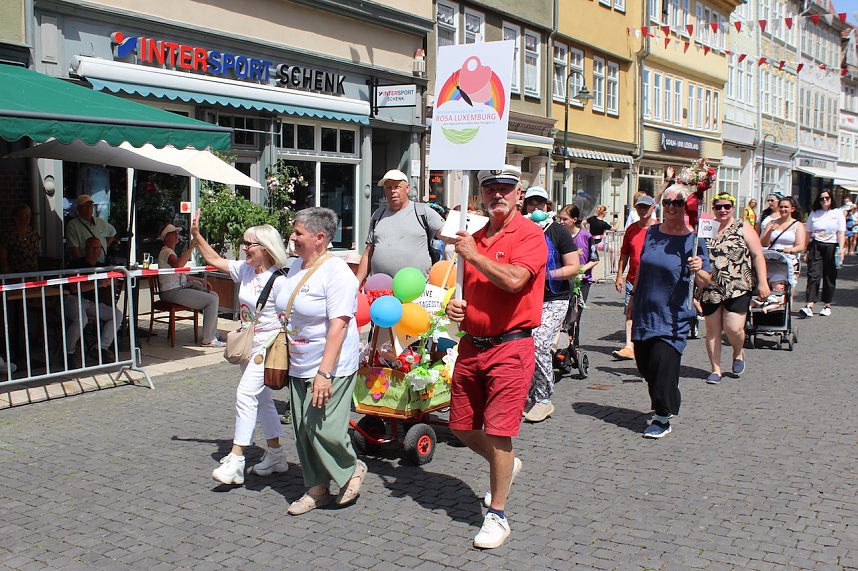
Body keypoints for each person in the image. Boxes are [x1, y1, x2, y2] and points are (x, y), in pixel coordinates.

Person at [445, 165, 547, 549]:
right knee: (459, 426)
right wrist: (457, 310)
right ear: (481, 195)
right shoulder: (471, 236)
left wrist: (473, 255)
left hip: (511, 346)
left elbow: (514, 281)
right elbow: (469, 292)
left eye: (505, 189)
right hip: (473, 344)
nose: (497, 195)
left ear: (519, 194)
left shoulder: (530, 234)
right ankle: (505, 465)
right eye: (490, 190)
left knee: (498, 431)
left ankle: (498, 515)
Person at [190, 212, 293, 486]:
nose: (245, 248)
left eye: (250, 244)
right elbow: (213, 260)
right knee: (262, 401)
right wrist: (197, 236)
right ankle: (276, 455)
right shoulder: (246, 270)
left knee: (246, 395)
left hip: (268, 347)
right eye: (244, 243)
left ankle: (236, 460)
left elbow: (291, 318)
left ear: (266, 248)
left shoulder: (280, 280)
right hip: (249, 346)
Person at [274, 207, 364, 516]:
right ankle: (316, 489)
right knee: (302, 429)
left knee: (325, 428)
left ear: (320, 238)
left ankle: (351, 468)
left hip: (331, 364)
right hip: (299, 359)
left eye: (298, 233)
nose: (293, 237)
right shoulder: (295, 266)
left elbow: (338, 324)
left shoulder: (337, 272)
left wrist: (325, 373)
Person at [632, 185, 711, 438]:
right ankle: (669, 394)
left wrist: (698, 268)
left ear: (686, 207)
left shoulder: (695, 240)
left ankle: (662, 416)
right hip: (646, 309)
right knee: (646, 365)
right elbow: (643, 267)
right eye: (667, 202)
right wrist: (633, 298)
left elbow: (706, 281)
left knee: (662, 363)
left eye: (678, 203)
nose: (672, 207)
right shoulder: (652, 233)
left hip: (673, 315)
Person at [519, 187, 579, 423]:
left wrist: (548, 275)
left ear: (548, 206)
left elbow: (574, 266)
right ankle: (527, 393)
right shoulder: (520, 229)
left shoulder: (558, 232)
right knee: (520, 347)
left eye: (540, 203)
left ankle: (544, 398)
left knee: (539, 343)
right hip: (523, 297)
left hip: (554, 299)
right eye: (531, 203)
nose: (535, 207)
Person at [700, 193, 769, 385]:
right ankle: (716, 369)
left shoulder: (743, 226)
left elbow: (757, 255)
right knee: (712, 329)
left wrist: (763, 281)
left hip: (738, 285)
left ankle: (738, 352)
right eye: (719, 207)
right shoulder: (707, 228)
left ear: (733, 207)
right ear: (713, 208)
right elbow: (698, 252)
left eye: (727, 206)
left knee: (733, 327)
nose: (723, 210)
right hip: (711, 286)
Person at [355, 169, 445, 283]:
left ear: (407, 188)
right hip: (382, 289)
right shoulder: (378, 215)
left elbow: (446, 234)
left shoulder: (423, 212)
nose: (392, 191)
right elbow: (368, 252)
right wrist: (356, 283)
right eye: (388, 188)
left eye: (397, 187)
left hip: (414, 289)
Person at [157, 224, 223, 347]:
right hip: (172, 292)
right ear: (166, 237)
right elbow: (178, 266)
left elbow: (178, 273)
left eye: (177, 232)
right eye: (173, 233)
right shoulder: (167, 252)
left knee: (213, 295)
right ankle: (208, 339)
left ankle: (212, 333)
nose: (177, 234)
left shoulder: (170, 252)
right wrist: (192, 247)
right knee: (212, 300)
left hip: (177, 289)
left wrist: (197, 279)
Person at [64, 237, 124, 364]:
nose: (95, 251)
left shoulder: (101, 267)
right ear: (86, 249)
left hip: (92, 304)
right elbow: (74, 288)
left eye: (98, 248)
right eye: (92, 248)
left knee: (117, 314)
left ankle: (101, 348)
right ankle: (69, 353)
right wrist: (97, 284)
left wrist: (116, 274)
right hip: (74, 300)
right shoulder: (76, 265)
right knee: (81, 319)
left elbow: (115, 274)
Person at [613, 194, 657, 361]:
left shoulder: (659, 228)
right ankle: (629, 346)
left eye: (646, 207)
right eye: (640, 207)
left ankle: (650, 344)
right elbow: (624, 254)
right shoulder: (631, 229)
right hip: (632, 279)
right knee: (630, 311)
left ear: (653, 208)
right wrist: (619, 276)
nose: (643, 210)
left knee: (651, 313)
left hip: (653, 280)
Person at [801, 190, 846, 317]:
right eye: (822, 198)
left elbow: (841, 233)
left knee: (829, 276)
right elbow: (808, 232)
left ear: (831, 199)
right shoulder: (814, 213)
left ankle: (827, 304)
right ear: (818, 200)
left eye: (827, 198)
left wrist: (841, 249)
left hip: (832, 246)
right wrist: (805, 249)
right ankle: (809, 304)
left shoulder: (837, 213)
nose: (825, 200)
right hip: (816, 245)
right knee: (813, 274)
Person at [557, 204, 599, 302]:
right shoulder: (558, 235)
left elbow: (594, 259)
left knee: (575, 314)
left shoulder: (586, 236)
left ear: (574, 219)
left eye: (565, 219)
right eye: (560, 219)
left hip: (582, 281)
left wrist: (580, 270)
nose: (561, 222)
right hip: (563, 280)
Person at [760, 196, 806, 285]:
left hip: (788, 261)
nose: (783, 209)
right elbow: (763, 243)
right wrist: (769, 231)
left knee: (785, 288)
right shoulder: (771, 223)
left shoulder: (798, 225)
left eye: (786, 207)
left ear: (792, 209)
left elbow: (800, 246)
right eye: (781, 207)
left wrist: (790, 250)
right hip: (771, 259)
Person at [65, 194, 116, 263]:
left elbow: (112, 233)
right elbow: (73, 248)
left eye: (90, 206)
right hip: (85, 268)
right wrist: (82, 265)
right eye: (85, 206)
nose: (89, 208)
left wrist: (104, 247)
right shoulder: (72, 225)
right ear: (78, 208)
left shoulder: (100, 221)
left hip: (101, 265)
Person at [0, 204, 40, 274]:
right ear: (16, 218)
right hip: (15, 274)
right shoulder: (8, 235)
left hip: (33, 273)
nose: (28, 217)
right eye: (25, 215)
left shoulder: (33, 233)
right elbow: (3, 257)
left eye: (29, 215)